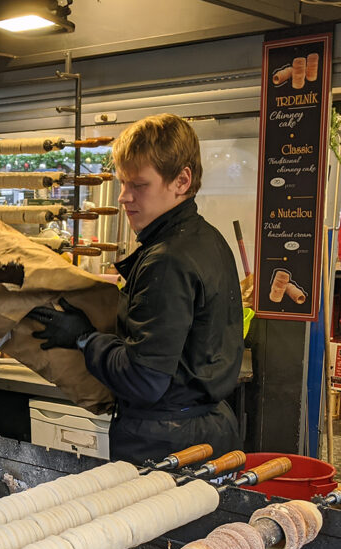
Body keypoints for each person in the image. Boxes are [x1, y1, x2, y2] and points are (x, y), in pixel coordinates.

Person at [28, 114, 243, 465]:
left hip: (164, 443)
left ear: (181, 180)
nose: (125, 198)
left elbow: (144, 379)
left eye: (139, 185)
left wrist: (84, 338)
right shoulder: (208, 239)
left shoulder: (167, 259)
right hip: (210, 430)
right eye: (122, 184)